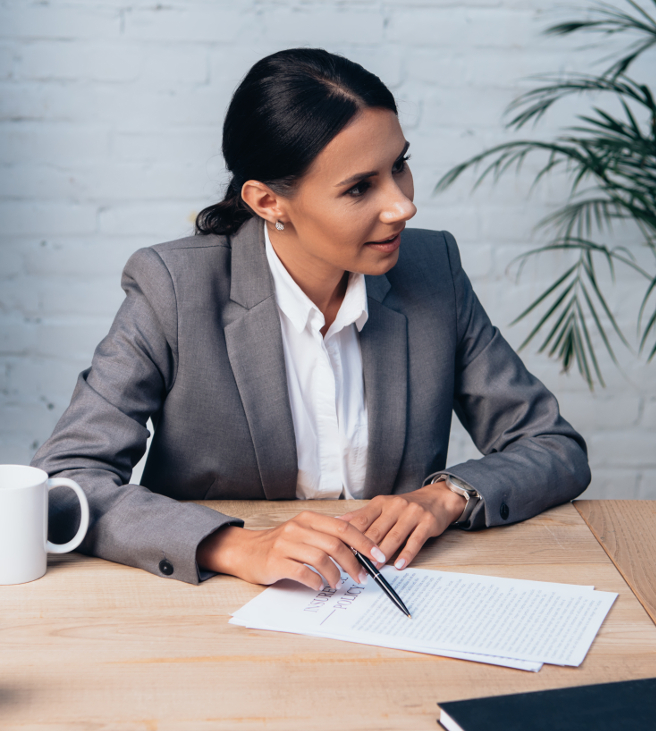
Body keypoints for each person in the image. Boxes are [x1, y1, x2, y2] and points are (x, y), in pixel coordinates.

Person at [33, 48, 590, 590]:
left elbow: (552, 446)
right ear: (268, 202)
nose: (402, 206)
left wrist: (445, 495)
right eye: (359, 188)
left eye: (400, 166)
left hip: (390, 594)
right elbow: (66, 481)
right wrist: (237, 546)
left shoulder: (433, 271)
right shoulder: (173, 288)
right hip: (216, 606)